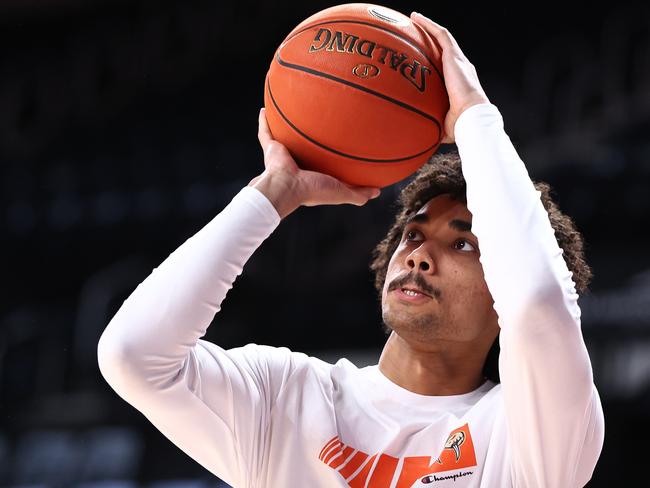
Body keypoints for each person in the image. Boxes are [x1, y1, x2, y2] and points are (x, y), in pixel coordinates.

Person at [97, 12, 604, 487]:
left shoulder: (531, 430)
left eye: (463, 244)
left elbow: (538, 300)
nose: (419, 255)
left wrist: (475, 119)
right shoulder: (288, 397)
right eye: (413, 233)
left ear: (503, 289)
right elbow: (133, 355)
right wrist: (272, 196)